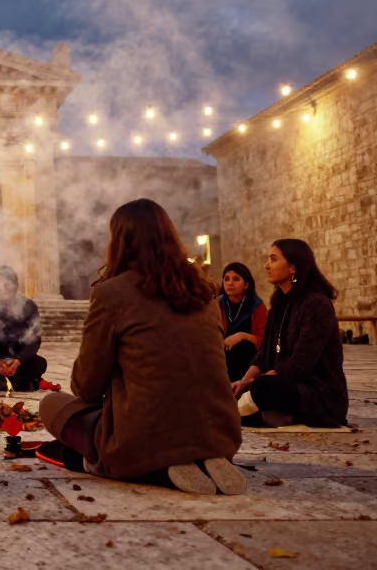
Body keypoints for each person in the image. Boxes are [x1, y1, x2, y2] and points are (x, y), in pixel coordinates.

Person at [38, 199, 244, 495]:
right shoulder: (205, 293)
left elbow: (86, 387)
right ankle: (204, 454)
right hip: (220, 432)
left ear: (119, 241)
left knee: (51, 404)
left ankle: (155, 467)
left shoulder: (112, 293)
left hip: (147, 435)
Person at [232, 239, 348, 428]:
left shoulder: (316, 304)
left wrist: (254, 384)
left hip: (318, 395)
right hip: (284, 387)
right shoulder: (278, 305)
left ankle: (245, 412)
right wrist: (243, 383)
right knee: (235, 389)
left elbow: (300, 365)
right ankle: (269, 415)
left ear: (293, 267)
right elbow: (264, 354)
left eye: (273, 259)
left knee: (263, 387)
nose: (267, 265)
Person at [0, 266, 47, 392]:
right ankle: (16, 383)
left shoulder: (28, 306)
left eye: (9, 281)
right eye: (0, 281)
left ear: (15, 285)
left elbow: (34, 341)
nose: (5, 286)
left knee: (40, 364)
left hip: (20, 362)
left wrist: (18, 360)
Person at [220, 262, 267, 382]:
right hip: (221, 352)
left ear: (246, 284)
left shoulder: (257, 306)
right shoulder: (217, 304)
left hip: (247, 357)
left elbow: (265, 340)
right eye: (226, 279)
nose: (230, 283)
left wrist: (242, 336)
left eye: (236, 279)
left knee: (241, 347)